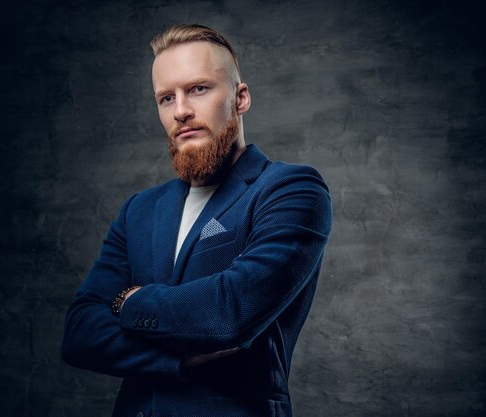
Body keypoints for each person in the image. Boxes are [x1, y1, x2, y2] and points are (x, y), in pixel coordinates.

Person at [61, 23, 332, 417]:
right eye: (166, 98)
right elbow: (80, 334)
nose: (181, 110)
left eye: (199, 89)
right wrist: (177, 362)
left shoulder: (290, 189)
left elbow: (230, 312)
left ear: (241, 98)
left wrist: (127, 302)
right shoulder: (139, 210)